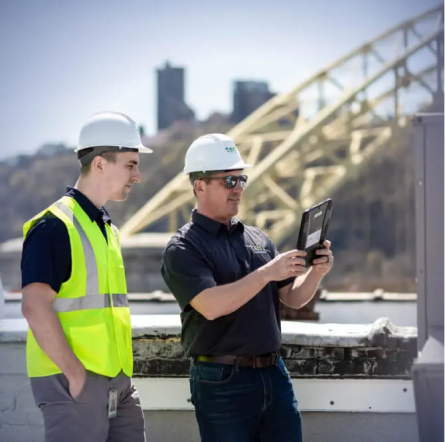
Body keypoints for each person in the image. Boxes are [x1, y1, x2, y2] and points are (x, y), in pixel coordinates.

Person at [161, 133, 334, 442]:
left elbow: (291, 298)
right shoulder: (184, 247)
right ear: (199, 185)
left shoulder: (258, 239)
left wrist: (316, 272)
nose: (239, 188)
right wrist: (267, 272)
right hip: (222, 380)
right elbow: (211, 306)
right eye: (229, 181)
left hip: (274, 373)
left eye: (241, 179)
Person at [20, 111, 153, 442]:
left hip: (116, 381)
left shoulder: (106, 228)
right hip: (75, 382)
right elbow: (34, 306)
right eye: (130, 164)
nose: (137, 174)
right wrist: (76, 375)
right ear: (100, 164)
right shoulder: (54, 226)